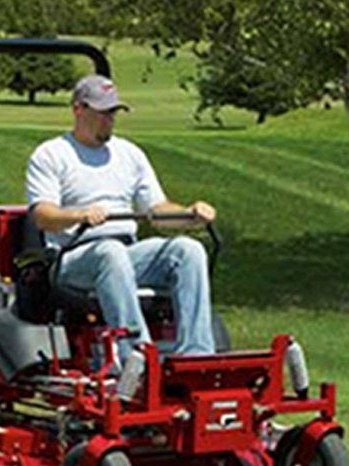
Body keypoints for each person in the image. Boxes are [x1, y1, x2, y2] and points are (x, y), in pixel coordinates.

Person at [25, 74, 216, 362]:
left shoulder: (130, 154)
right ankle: (137, 358)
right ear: (78, 109)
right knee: (110, 253)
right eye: (102, 112)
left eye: (113, 112)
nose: (109, 119)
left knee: (188, 250)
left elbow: (157, 210)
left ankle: (197, 356)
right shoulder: (52, 154)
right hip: (72, 257)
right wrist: (81, 214)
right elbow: (43, 216)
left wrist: (190, 215)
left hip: (127, 253)